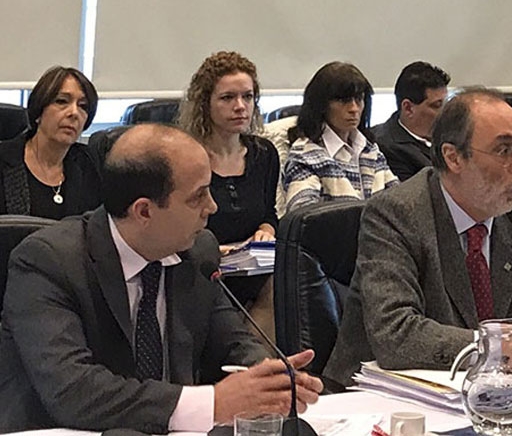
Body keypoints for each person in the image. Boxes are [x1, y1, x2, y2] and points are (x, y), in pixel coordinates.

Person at [0, 124, 323, 432]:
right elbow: (72, 390)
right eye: (198, 196)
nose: (212, 207)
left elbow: (232, 341)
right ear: (144, 211)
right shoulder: (48, 261)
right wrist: (213, 403)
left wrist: (268, 378)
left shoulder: (198, 251)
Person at [323, 88, 512, 389]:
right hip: (377, 400)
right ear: (453, 157)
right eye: (504, 150)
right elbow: (396, 335)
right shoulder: (397, 214)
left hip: (499, 399)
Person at [179, 51, 279, 247]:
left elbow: (268, 214)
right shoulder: (184, 158)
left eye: (248, 96)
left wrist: (266, 231)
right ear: (205, 103)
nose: (240, 106)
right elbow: (173, 228)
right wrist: (210, 250)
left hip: (253, 260)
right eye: (227, 98)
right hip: (200, 260)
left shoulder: (264, 153)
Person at [282, 62, 397, 212]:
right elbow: (302, 213)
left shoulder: (370, 150)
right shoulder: (304, 156)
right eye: (344, 101)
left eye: (359, 99)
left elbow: (399, 201)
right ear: (321, 105)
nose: (354, 109)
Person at [0, 65, 101, 218]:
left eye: (83, 106)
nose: (74, 113)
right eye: (62, 101)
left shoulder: (90, 164)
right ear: (38, 112)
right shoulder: (4, 160)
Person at [370, 61, 450, 181]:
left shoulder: (451, 135)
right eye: (436, 106)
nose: (445, 112)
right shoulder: (385, 146)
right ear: (408, 108)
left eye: (446, 104)